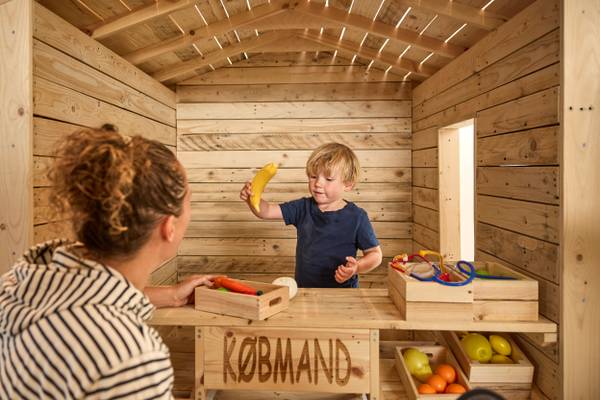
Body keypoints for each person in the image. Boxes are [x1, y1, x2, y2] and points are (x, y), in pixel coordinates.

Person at [0, 125, 213, 399]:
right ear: (169, 227)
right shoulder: (130, 358)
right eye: (189, 202)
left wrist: (171, 296)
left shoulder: (20, 279)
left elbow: (80, 300)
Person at [240, 143, 383, 288]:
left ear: (347, 184)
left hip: (343, 292)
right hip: (305, 290)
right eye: (313, 176)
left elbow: (375, 255)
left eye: (328, 179)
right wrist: (251, 199)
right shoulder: (303, 207)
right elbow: (266, 211)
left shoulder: (357, 217)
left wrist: (357, 267)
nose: (318, 183)